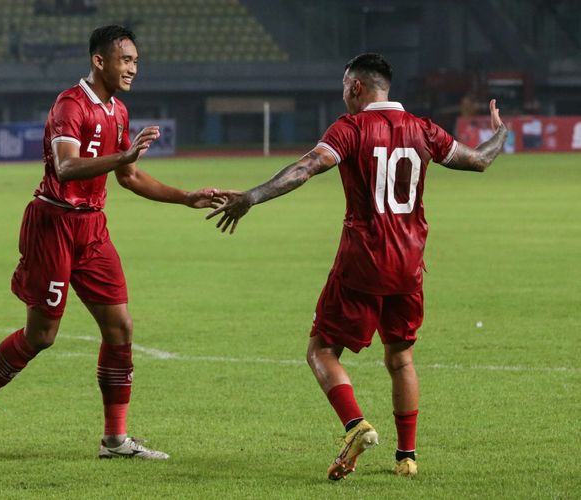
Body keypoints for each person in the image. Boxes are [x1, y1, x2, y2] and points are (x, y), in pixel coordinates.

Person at [207, 53, 507, 480]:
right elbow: (480, 160)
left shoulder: (349, 129)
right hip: (409, 266)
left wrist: (251, 197)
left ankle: (356, 425)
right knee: (401, 358)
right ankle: (407, 457)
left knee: (321, 350)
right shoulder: (423, 129)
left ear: (355, 88)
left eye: (344, 87)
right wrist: (501, 133)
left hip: (362, 263)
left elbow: (306, 168)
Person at [0, 25, 223, 460]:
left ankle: (115, 439)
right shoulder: (70, 104)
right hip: (54, 225)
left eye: (136, 61)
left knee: (120, 327)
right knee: (41, 336)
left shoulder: (118, 111)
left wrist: (185, 197)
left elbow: (130, 176)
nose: (133, 69)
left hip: (92, 228)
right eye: (126, 60)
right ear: (99, 61)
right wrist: (124, 155)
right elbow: (65, 168)